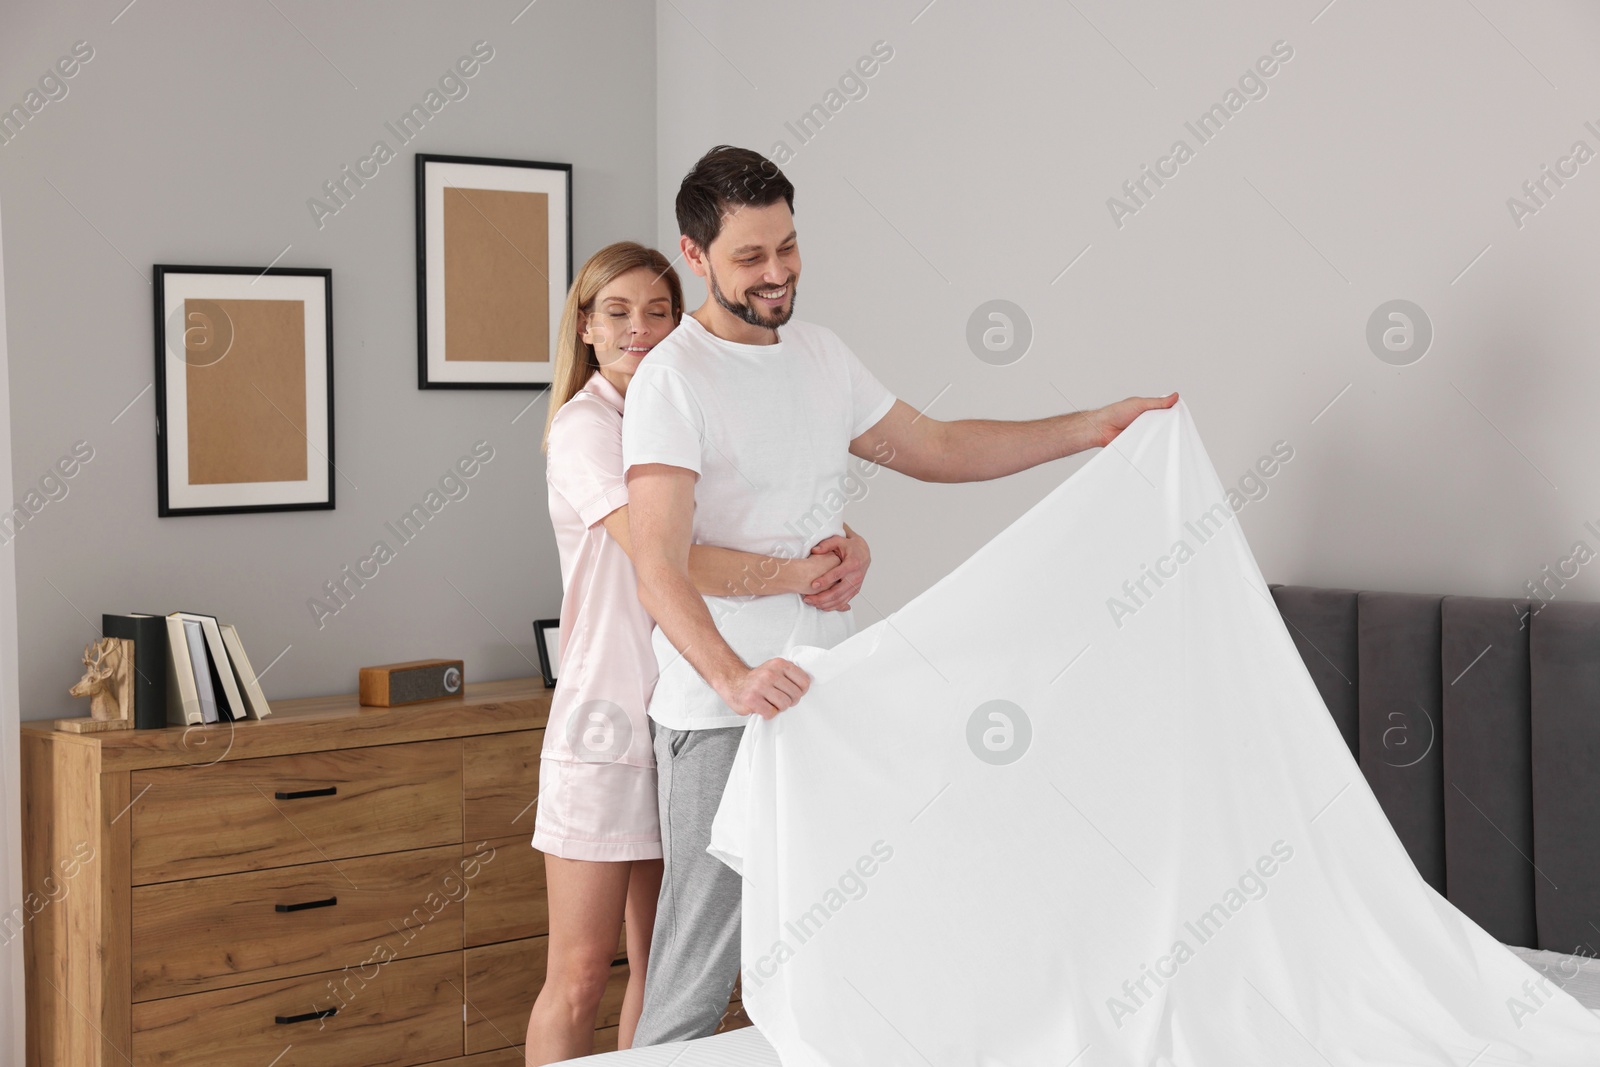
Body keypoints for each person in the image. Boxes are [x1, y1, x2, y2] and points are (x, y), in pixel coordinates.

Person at [620, 146, 1180, 1045]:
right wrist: (730, 676)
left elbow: (942, 448)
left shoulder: (820, 355)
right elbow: (656, 561)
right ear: (694, 257)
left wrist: (1088, 427)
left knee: (841, 952)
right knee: (695, 973)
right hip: (720, 715)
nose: (777, 273)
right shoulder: (673, 381)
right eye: (751, 258)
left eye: (789, 247)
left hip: (822, 702)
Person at [525, 240, 872, 1064]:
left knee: (666, 970)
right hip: (608, 723)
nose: (640, 329)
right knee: (578, 973)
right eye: (618, 312)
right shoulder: (583, 430)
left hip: (681, 713)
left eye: (659, 311)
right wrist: (802, 572)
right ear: (584, 326)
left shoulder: (673, 415)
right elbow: (664, 557)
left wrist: (846, 542)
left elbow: (749, 516)